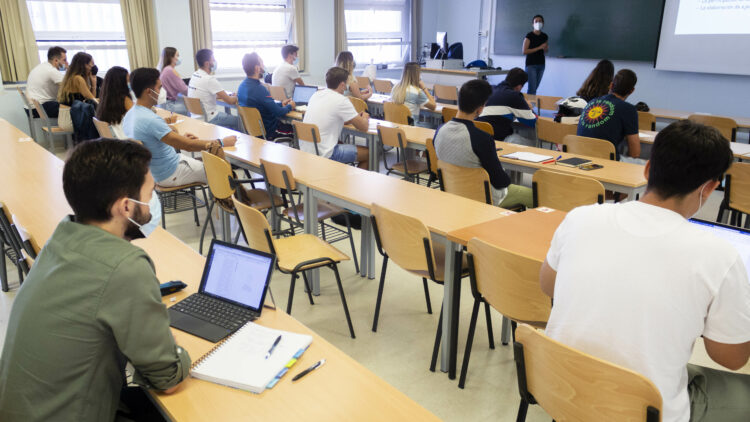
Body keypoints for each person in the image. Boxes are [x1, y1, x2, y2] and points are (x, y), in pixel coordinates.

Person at [540, 120, 750, 422]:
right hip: (641, 411)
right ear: (710, 188)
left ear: (648, 169)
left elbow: (548, 285)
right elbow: (731, 358)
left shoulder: (580, 217)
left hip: (560, 388)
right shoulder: (720, 255)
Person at [0, 139, 191, 421]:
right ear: (126, 206)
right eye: (150, 192)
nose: (152, 202)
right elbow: (168, 378)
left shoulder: (63, 237)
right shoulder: (125, 266)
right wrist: (180, 349)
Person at [123, 67, 236, 187]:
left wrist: (180, 138)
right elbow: (188, 146)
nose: (161, 91)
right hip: (170, 173)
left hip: (155, 172)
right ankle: (234, 204)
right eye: (159, 88)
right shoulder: (150, 119)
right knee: (225, 173)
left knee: (213, 166)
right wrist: (221, 143)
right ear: (149, 92)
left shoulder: (131, 114)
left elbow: (159, 140)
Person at [434, 79, 533, 209]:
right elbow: (500, 182)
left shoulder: (439, 131)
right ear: (480, 109)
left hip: (453, 192)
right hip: (483, 196)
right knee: (538, 195)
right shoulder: (481, 138)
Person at [301, 66, 370, 169]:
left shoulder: (316, 95)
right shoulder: (341, 100)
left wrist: (352, 118)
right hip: (325, 153)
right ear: (342, 85)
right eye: (346, 84)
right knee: (369, 153)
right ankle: (354, 184)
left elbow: (330, 117)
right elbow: (364, 127)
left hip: (306, 150)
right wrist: (364, 117)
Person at [577, 69, 641, 160]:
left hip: (579, 156)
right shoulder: (629, 109)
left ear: (611, 85)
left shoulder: (592, 102)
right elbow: (635, 153)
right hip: (605, 161)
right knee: (643, 166)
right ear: (632, 91)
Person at [237, 52, 295, 140]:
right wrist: (290, 106)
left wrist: (281, 104)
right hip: (271, 131)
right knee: (297, 131)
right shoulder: (260, 89)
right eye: (262, 63)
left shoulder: (242, 87)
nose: (263, 66)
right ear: (257, 68)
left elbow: (264, 105)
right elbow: (278, 112)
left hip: (253, 131)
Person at [476, 67, 537, 145]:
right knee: (531, 140)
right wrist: (529, 108)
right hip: (496, 141)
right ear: (519, 86)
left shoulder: (490, 89)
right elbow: (531, 122)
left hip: (477, 136)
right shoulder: (515, 95)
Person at [187, 48, 240, 130]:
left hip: (196, 117)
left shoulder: (194, 75)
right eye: (213, 59)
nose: (215, 61)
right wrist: (238, 96)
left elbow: (204, 94)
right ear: (207, 63)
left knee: (228, 117)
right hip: (209, 119)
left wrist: (222, 96)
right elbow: (230, 101)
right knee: (239, 121)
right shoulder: (209, 79)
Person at [26, 46, 67, 118]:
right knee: (76, 109)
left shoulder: (41, 66)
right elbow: (69, 87)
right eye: (64, 60)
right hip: (40, 108)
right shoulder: (52, 71)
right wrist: (70, 70)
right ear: (56, 61)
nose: (67, 63)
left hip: (33, 108)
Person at [390, 62, 436, 126]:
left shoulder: (395, 87)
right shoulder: (417, 92)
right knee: (434, 126)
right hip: (411, 126)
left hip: (395, 125)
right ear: (417, 75)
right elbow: (433, 106)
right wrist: (424, 88)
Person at [95, 66, 133, 139]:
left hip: (114, 139)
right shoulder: (125, 99)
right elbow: (136, 117)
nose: (130, 83)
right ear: (121, 84)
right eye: (128, 81)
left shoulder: (105, 98)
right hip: (125, 139)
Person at [522, 14, 548, 95]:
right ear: (533, 24)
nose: (538, 23)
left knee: (535, 88)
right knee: (532, 89)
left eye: (540, 21)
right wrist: (539, 47)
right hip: (531, 65)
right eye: (536, 21)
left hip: (541, 64)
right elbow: (524, 51)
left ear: (543, 23)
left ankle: (530, 106)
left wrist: (545, 48)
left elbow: (545, 51)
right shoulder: (529, 36)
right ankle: (529, 107)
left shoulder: (545, 36)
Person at [159, 46, 189, 115]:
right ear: (171, 57)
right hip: (170, 106)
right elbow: (185, 90)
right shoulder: (170, 70)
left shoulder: (165, 69)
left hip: (165, 104)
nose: (179, 58)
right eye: (177, 56)